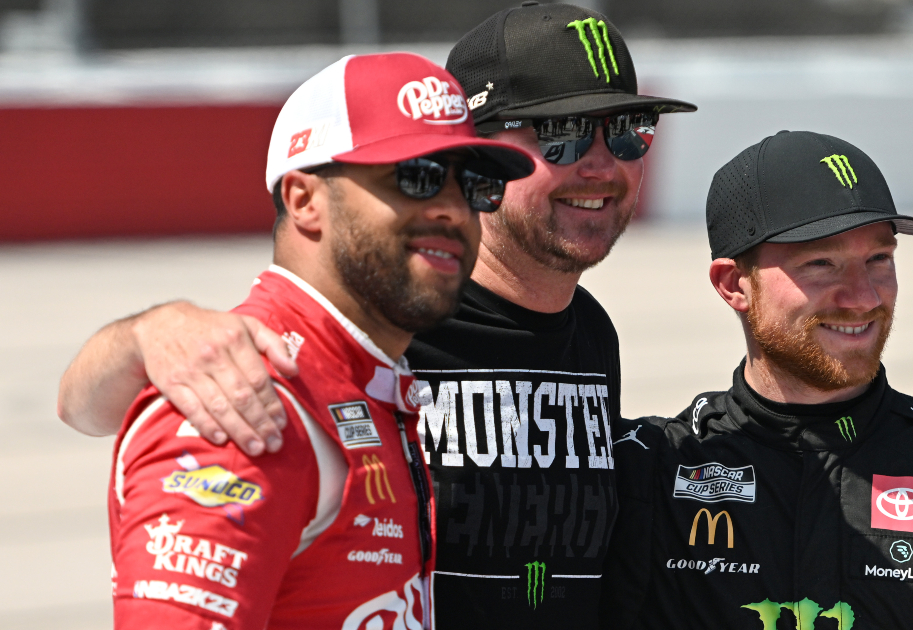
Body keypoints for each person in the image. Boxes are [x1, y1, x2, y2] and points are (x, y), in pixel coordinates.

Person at [57, 4, 696, 628]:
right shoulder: (268, 386)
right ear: (305, 199)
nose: (602, 161)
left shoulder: (551, 338)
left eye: (629, 128)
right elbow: (95, 407)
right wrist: (147, 332)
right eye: (415, 178)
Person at [602, 131, 913, 630]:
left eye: (879, 259)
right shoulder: (649, 472)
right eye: (822, 263)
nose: (862, 297)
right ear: (734, 285)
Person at [104, 51, 535, 629]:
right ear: (305, 201)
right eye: (417, 176)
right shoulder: (245, 404)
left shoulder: (363, 375)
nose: (454, 210)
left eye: (472, 184)